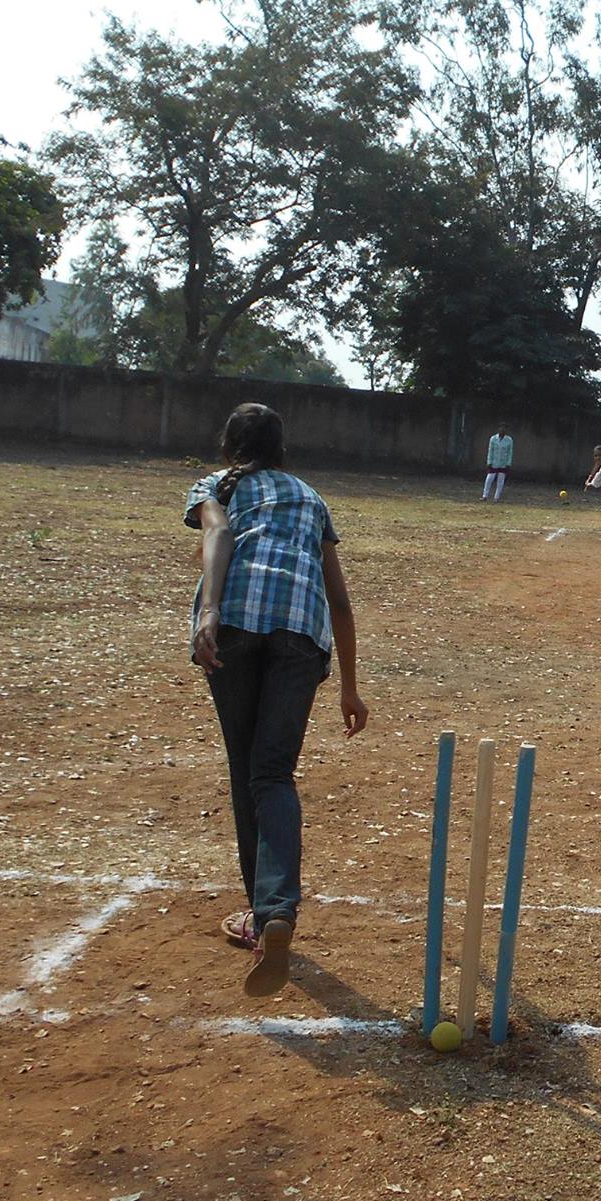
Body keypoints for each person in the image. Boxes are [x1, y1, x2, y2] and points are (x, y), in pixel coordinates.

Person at [186, 403, 368, 997]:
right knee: (274, 775)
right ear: (282, 447)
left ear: (228, 448)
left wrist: (208, 611)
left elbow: (216, 532)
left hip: (235, 624)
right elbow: (339, 600)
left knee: (248, 775)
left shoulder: (215, 486)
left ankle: (266, 917)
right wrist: (349, 685)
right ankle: (275, 912)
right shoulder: (312, 498)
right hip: (300, 634)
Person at [482, 426, 514, 502]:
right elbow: (490, 451)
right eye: (501, 429)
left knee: (500, 480)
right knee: (489, 479)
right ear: (498, 430)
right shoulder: (493, 438)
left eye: (504, 429)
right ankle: (485, 495)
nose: (502, 431)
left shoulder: (509, 440)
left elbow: (510, 452)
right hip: (494, 462)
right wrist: (489, 461)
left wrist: (508, 463)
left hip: (503, 463)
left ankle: (496, 497)